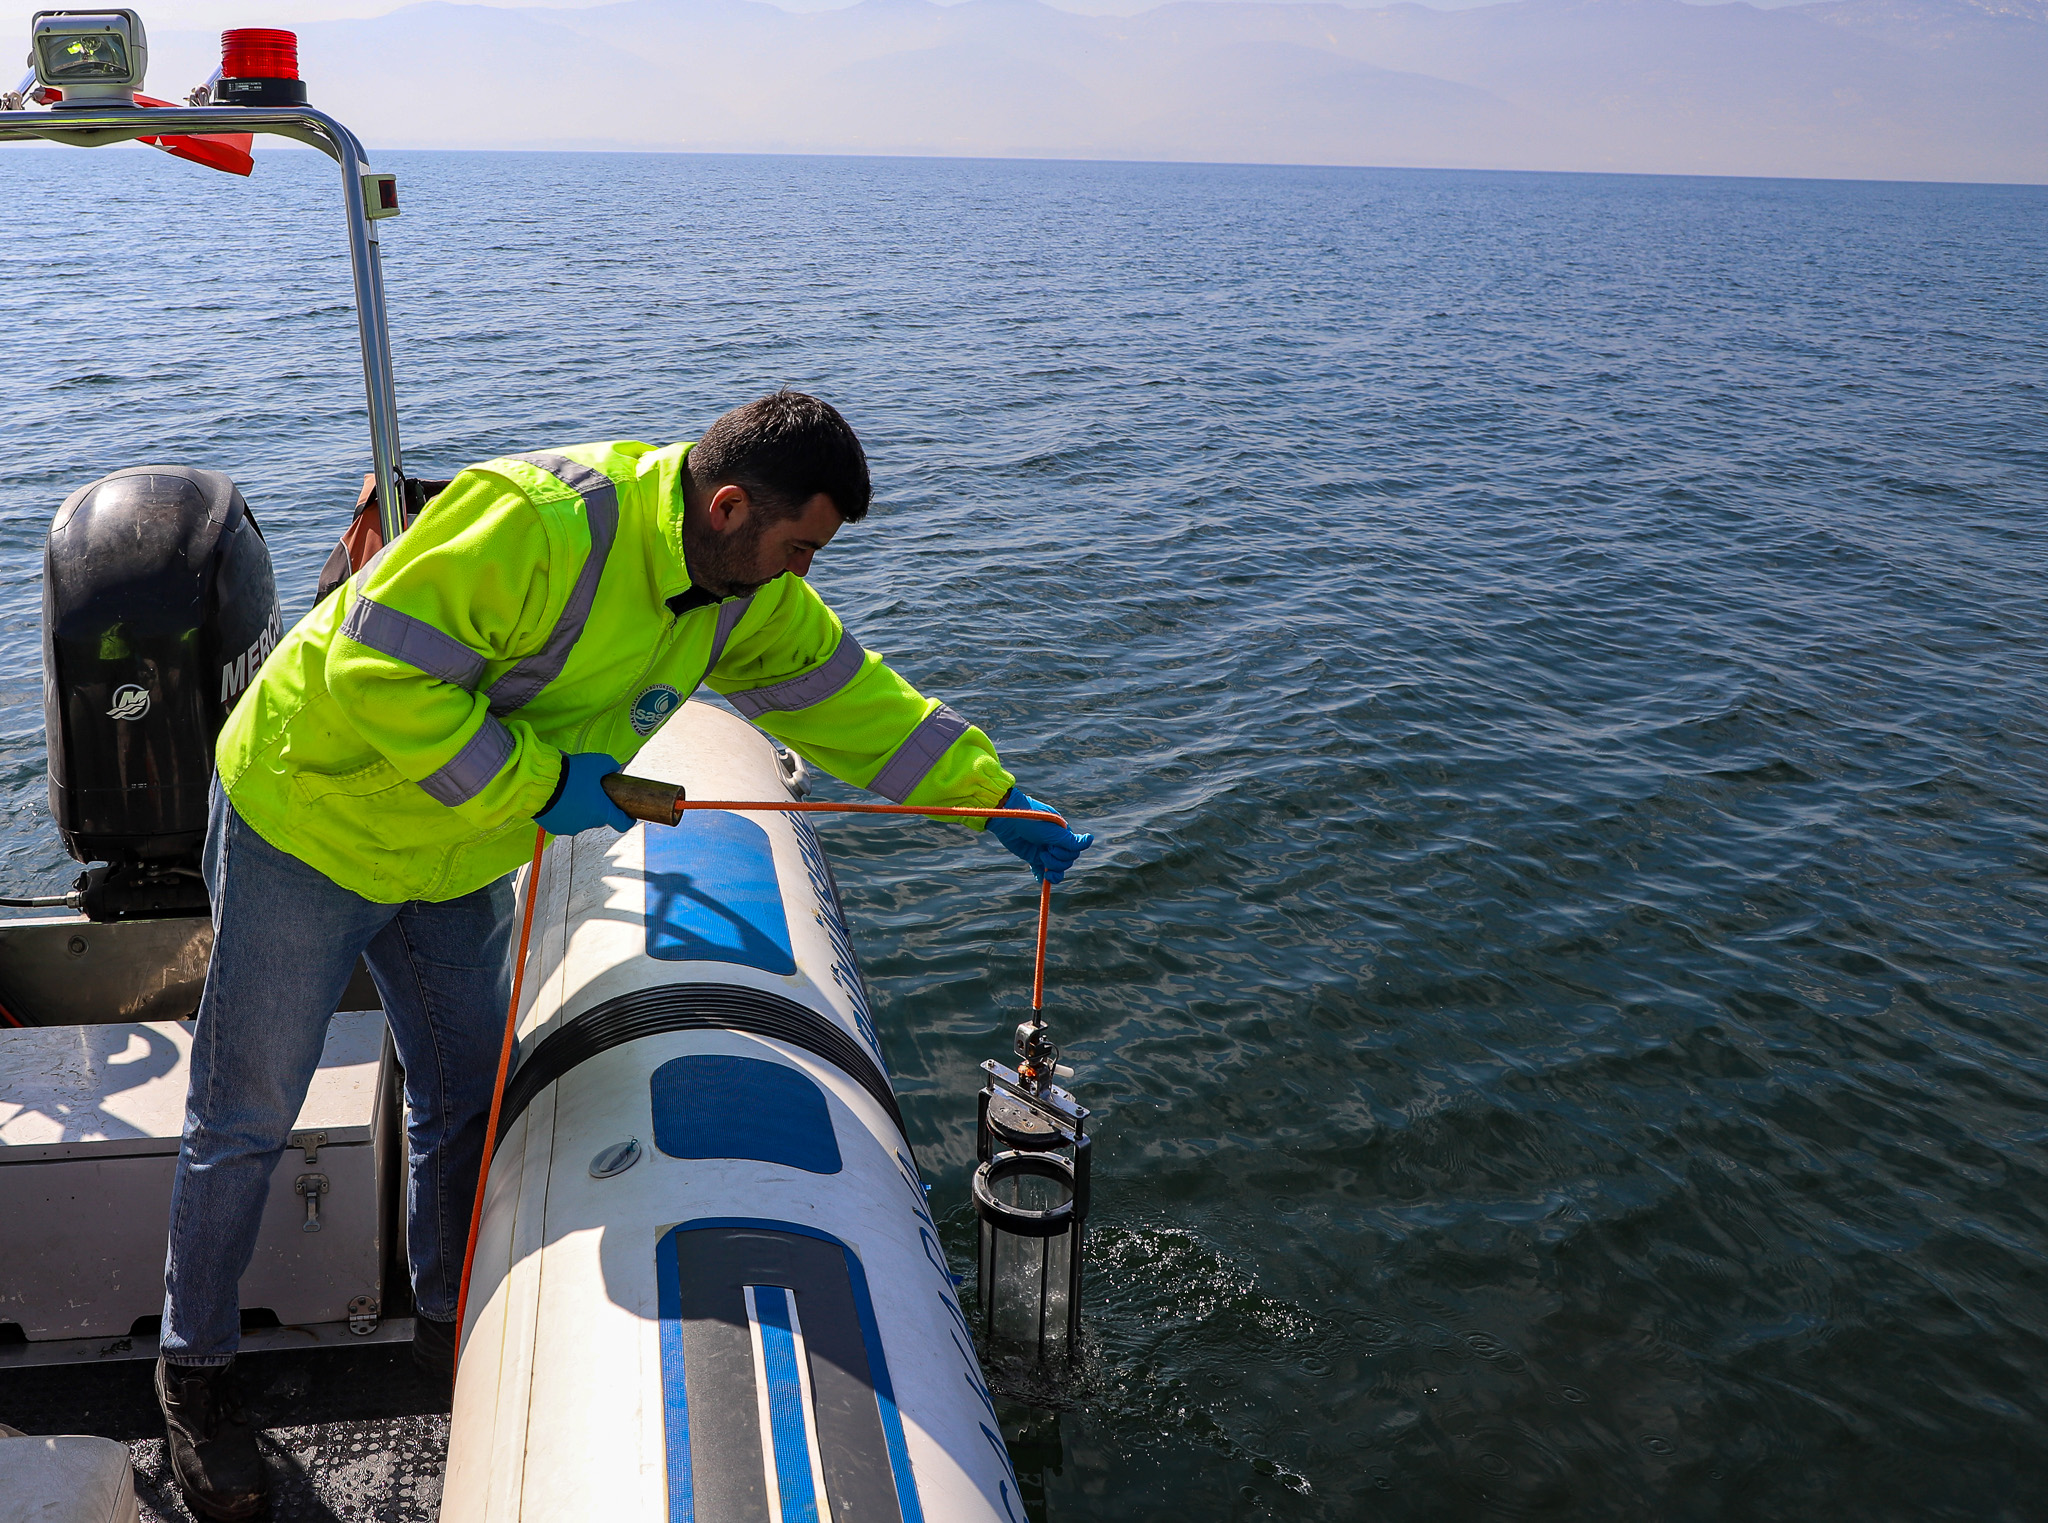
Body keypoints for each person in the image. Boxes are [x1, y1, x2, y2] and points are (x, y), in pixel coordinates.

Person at [154, 391, 1093, 1521]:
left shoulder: (744, 594)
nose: (804, 574)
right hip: (314, 823)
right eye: (799, 546)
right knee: (245, 1115)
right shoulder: (540, 526)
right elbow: (370, 675)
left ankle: (453, 1321)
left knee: (462, 1100)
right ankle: (195, 1376)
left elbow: (858, 700)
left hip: (450, 855)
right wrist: (545, 785)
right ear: (731, 504)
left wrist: (992, 800)